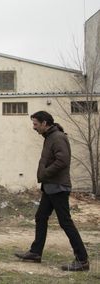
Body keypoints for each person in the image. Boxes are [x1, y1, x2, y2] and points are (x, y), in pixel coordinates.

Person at [15, 111, 89, 271]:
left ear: (44, 123)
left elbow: (63, 160)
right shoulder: (50, 137)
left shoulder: (58, 137)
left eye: (35, 124)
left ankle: (82, 260)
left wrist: (44, 173)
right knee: (41, 217)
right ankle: (35, 252)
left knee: (65, 222)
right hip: (50, 187)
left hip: (58, 187)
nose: (33, 127)